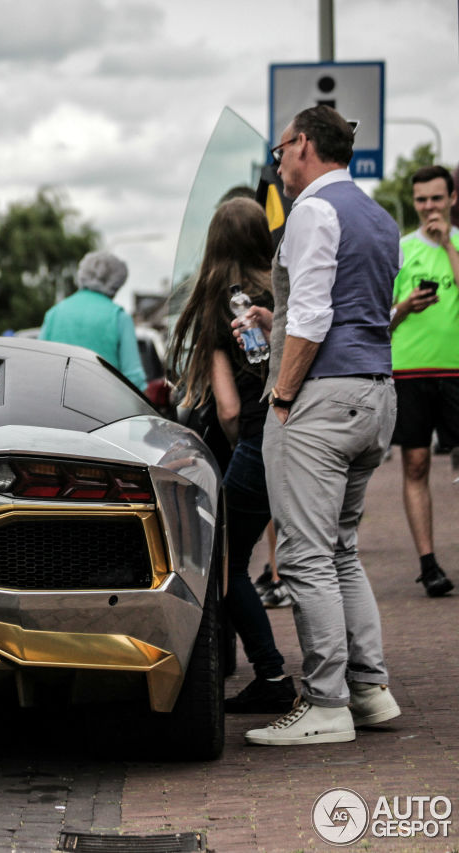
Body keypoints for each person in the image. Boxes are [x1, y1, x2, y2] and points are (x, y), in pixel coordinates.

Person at [238, 106, 402, 746]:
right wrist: (267, 312)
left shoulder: (310, 210)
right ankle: (370, 690)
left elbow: (311, 317)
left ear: (304, 143)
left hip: (320, 402)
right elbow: (355, 305)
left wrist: (281, 397)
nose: (277, 165)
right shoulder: (380, 217)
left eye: (281, 151)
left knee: (305, 554)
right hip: (375, 393)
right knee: (342, 550)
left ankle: (328, 704)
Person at [167, 197, 296, 714]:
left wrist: (239, 442)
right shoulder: (280, 293)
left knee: (226, 564)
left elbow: (226, 406)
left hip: (259, 440)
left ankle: (271, 673)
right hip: (302, 435)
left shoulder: (221, 304)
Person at [387, 164, 458, 598]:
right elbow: (383, 320)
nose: (429, 207)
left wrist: (448, 244)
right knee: (416, 464)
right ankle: (428, 563)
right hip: (411, 371)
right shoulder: (400, 250)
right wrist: (406, 306)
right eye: (422, 200)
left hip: (456, 372)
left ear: (451, 199)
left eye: (436, 198)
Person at [41, 251, 147, 388]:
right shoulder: (119, 317)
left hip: (54, 403)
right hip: (103, 405)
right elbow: (134, 378)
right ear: (116, 283)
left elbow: (41, 363)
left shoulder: (54, 313)